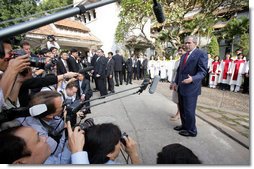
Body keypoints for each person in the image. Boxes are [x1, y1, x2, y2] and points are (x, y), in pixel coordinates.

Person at [0, 121, 88, 164]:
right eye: (38, 139)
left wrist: (69, 146)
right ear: (19, 164)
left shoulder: (46, 161)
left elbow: (60, 162)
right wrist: (78, 154)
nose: (45, 138)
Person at [170, 36, 207, 137]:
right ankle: (184, 126)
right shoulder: (183, 56)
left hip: (191, 87)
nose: (186, 45)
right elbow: (179, 71)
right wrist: (175, 82)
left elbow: (203, 72)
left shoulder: (201, 54)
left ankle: (192, 131)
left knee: (189, 110)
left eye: (189, 43)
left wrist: (193, 79)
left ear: (195, 43)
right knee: (182, 108)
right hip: (181, 87)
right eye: (185, 43)